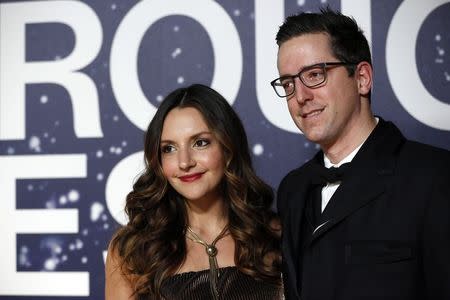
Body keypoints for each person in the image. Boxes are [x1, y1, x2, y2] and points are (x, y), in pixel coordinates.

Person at [270, 7, 450, 300]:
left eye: (315, 75)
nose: (300, 96)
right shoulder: (293, 189)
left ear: (362, 78)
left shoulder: (434, 177)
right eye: (289, 84)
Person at [105, 84, 283, 299]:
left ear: (228, 148)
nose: (184, 162)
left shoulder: (273, 234)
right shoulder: (133, 249)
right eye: (169, 148)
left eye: (200, 143)